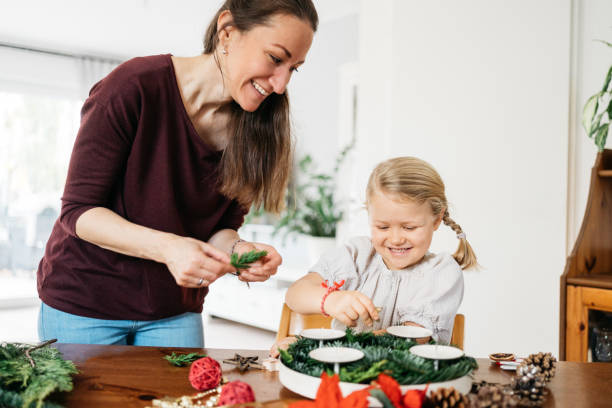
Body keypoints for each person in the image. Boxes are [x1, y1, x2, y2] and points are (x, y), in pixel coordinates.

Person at [37, 0, 318, 347]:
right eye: (276, 58)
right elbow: (78, 212)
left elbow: (221, 229)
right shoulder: (132, 87)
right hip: (84, 304)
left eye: (294, 68)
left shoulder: (258, 129)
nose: (280, 84)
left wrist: (240, 251)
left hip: (174, 311)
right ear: (227, 31)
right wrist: (169, 248)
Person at [271, 156, 477, 356]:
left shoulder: (442, 272)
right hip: (341, 380)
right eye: (383, 226)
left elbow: (408, 338)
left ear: (436, 219)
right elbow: (295, 294)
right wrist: (330, 300)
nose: (395, 239)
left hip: (409, 386)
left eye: (409, 227)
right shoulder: (356, 255)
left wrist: (311, 347)